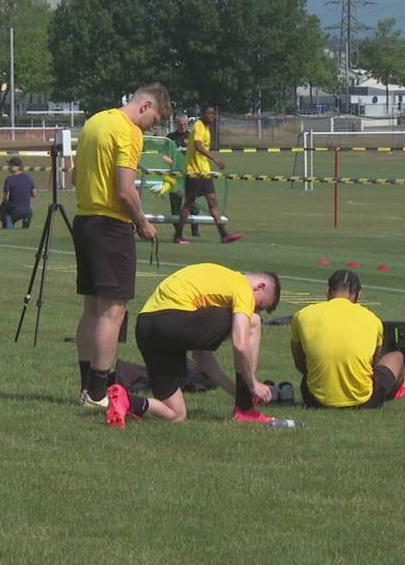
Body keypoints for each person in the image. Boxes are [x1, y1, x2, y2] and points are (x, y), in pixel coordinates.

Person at [72, 83, 170, 408]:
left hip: (84, 220)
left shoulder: (94, 122)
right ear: (144, 106)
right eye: (153, 120)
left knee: (91, 309)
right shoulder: (128, 131)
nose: (149, 127)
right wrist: (142, 222)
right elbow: (126, 191)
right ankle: (100, 392)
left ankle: (86, 385)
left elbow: (74, 177)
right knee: (112, 313)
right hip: (111, 225)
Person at [105, 263, 281, 427]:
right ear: (260, 287)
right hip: (173, 320)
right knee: (254, 322)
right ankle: (246, 410)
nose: (255, 309)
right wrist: (252, 384)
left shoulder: (217, 284)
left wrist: (235, 392)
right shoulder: (242, 286)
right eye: (260, 305)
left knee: (176, 414)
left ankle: (126, 400)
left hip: (146, 326)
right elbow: (241, 344)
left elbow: (200, 355)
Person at [290, 270, 405, 409]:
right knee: (396, 356)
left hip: (314, 398)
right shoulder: (372, 319)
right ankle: (388, 394)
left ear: (327, 290)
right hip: (363, 401)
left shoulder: (303, 315)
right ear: (358, 295)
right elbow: (373, 366)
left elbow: (299, 363)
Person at [174, 104, 242, 245]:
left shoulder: (207, 128)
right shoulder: (198, 126)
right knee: (188, 203)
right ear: (202, 114)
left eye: (213, 114)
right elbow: (198, 146)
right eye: (209, 114)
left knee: (212, 201)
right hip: (194, 172)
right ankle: (178, 235)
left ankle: (224, 235)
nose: (211, 116)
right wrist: (215, 159)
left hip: (204, 172)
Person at [0, 157, 36, 229]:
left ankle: (8, 224)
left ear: (14, 167)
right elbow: (34, 194)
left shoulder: (9, 179)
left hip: (15, 211)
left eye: (9, 165)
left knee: (5, 211)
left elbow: (5, 198)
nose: (8, 167)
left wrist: (1, 211)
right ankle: (26, 221)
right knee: (26, 212)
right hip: (27, 211)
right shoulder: (28, 178)